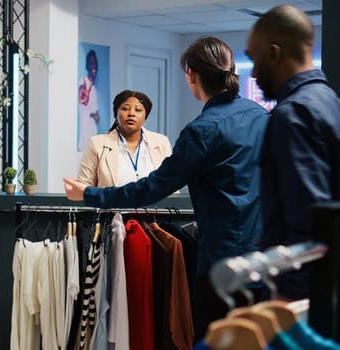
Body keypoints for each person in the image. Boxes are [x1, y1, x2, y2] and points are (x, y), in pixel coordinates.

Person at [64, 37, 270, 340]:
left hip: (223, 265)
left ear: (192, 76)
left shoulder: (202, 131)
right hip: (265, 258)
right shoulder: (260, 116)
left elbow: (153, 188)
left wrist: (90, 194)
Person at [246, 5, 340, 300]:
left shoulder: (292, 114)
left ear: (274, 54)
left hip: (301, 293)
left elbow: (309, 222)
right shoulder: (329, 101)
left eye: (254, 58)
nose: (255, 73)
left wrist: (286, 304)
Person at [78, 90, 172, 187]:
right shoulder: (97, 143)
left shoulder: (161, 142)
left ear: (145, 116)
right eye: (125, 109)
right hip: (112, 202)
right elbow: (83, 187)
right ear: (116, 114)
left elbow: (171, 186)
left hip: (155, 202)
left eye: (138, 110)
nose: (131, 113)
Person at [78, 49, 100, 151]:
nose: (93, 66)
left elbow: (97, 114)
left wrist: (96, 116)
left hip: (93, 130)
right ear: (87, 65)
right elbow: (83, 100)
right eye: (91, 63)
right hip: (85, 128)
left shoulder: (94, 89)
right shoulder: (83, 81)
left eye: (95, 63)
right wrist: (93, 115)